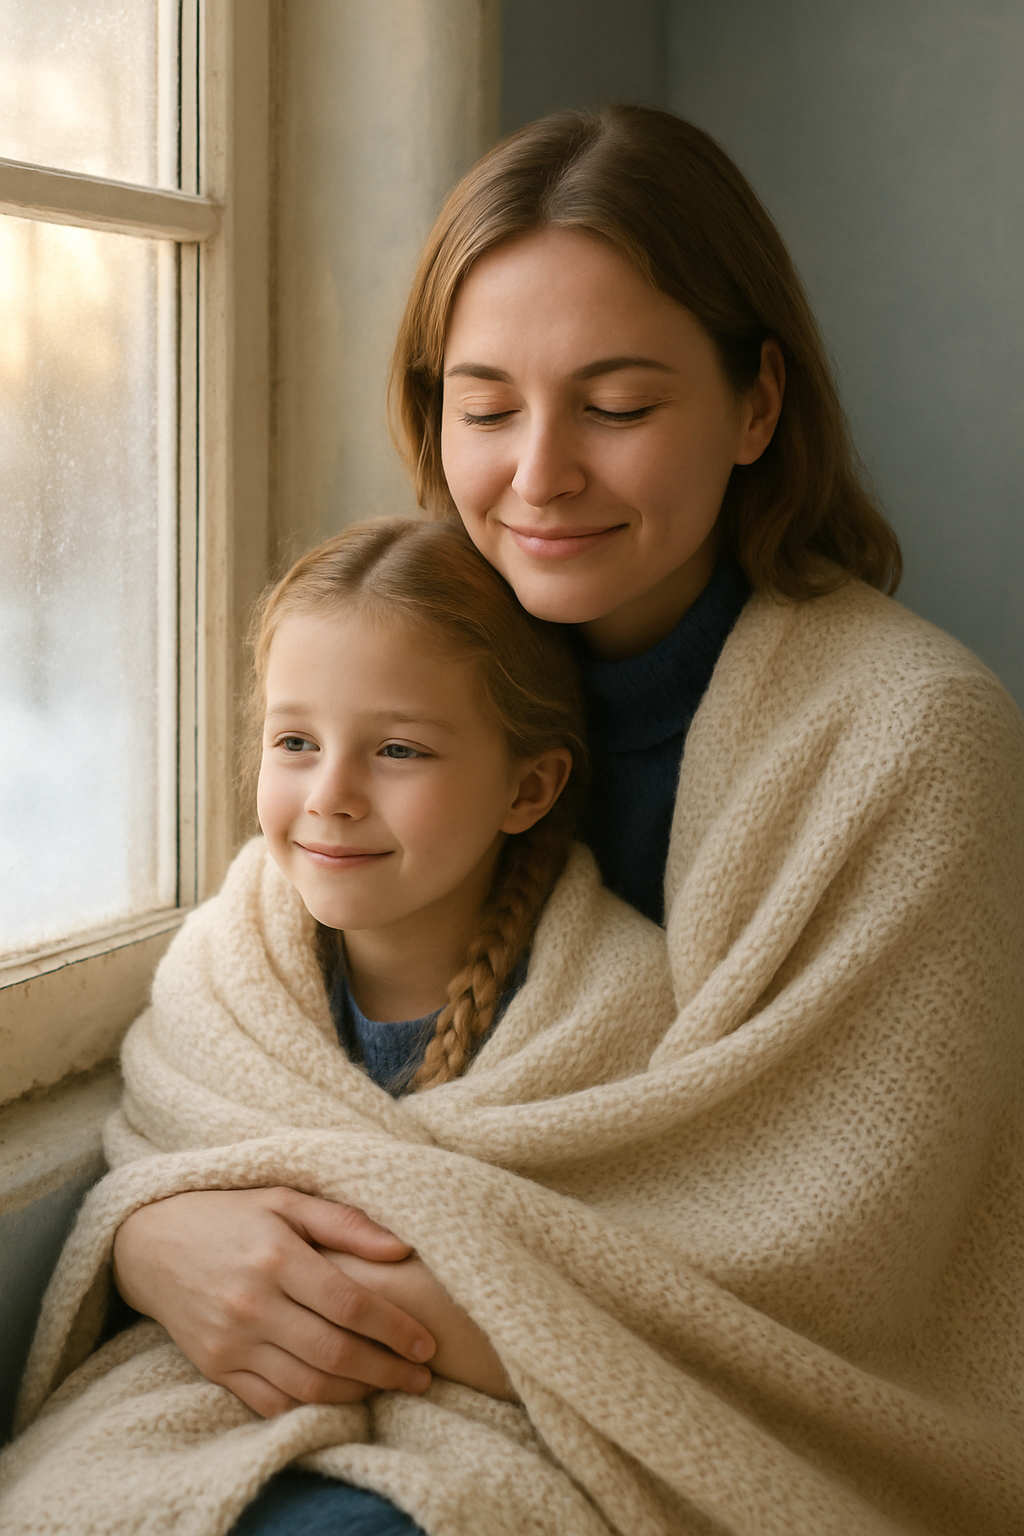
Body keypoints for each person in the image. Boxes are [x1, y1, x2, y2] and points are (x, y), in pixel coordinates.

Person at [3, 106, 1023, 1536]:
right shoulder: (392, 671)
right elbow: (242, 1035)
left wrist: (347, 1295)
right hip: (368, 1368)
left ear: (756, 405)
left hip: (681, 1417)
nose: (539, 472)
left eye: (615, 406)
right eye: (485, 408)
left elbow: (838, 1249)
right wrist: (156, 1228)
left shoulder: (915, 740)